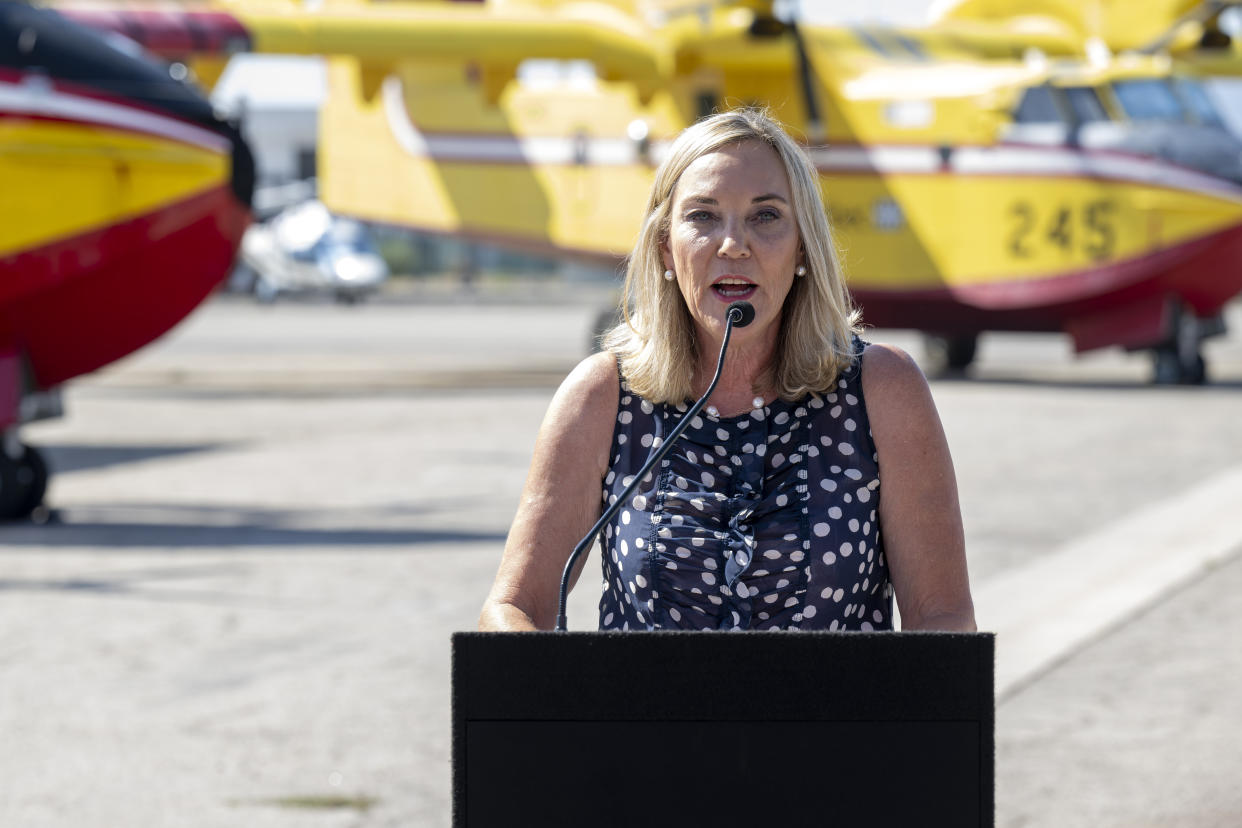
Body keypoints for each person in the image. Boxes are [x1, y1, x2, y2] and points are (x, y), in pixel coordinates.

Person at [479, 108, 975, 633]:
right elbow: (512, 608)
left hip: (834, 717)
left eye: (765, 217)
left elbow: (942, 617)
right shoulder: (603, 396)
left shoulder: (882, 389)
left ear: (803, 246)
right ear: (664, 248)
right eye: (703, 216)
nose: (733, 245)